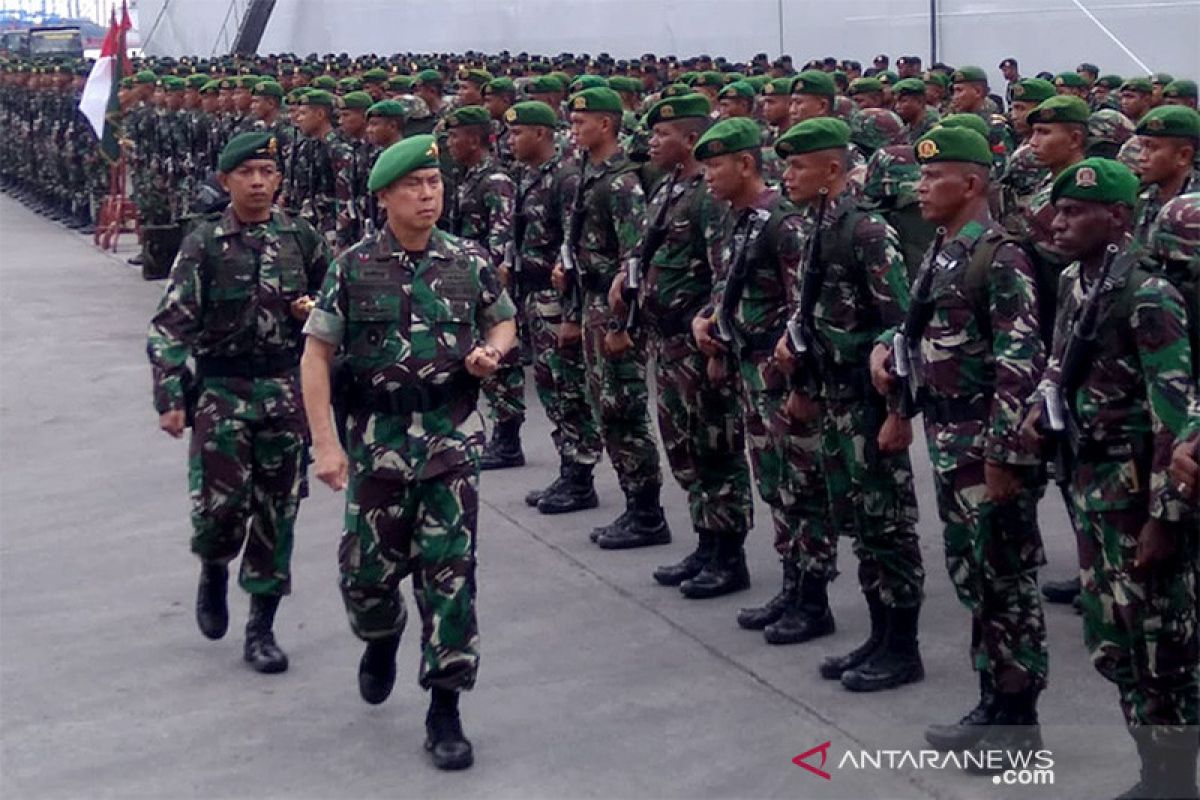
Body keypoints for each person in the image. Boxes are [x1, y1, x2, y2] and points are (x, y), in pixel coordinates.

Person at [300, 134, 517, 771]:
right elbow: (316, 356)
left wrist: (493, 353)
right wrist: (326, 445)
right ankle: (381, 634)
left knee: (450, 577)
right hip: (377, 448)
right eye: (414, 186)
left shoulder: (467, 260)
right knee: (365, 578)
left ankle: (445, 706)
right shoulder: (353, 265)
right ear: (385, 197)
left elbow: (500, 318)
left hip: (449, 442)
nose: (429, 196)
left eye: (435, 184)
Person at [873, 126, 1048, 770]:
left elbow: (1018, 364)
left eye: (932, 176)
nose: (919, 186)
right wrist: (898, 401)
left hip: (985, 449)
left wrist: (1005, 457)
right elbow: (920, 334)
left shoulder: (1000, 257)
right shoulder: (945, 251)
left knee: (1005, 583)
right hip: (950, 440)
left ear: (971, 184)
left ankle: (1018, 722)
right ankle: (992, 705)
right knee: (976, 577)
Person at [1023, 161, 1198, 799]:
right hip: (1092, 486)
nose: (1058, 221)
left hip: (1138, 499)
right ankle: (1154, 772)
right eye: (1058, 209)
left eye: (1075, 212)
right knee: (1113, 644)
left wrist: (1164, 518)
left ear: (1119, 219)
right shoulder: (1076, 279)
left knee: (1161, 651)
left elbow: (1171, 412)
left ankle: (1173, 781)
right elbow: (1060, 360)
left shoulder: (1146, 294)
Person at [146, 132, 331, 675]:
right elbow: (170, 325)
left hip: (284, 392)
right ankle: (213, 564)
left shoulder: (301, 237)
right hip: (222, 394)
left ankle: (262, 627)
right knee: (220, 510)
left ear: (278, 179)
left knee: (278, 512)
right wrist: (171, 395)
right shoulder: (204, 243)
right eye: (246, 173)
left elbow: (336, 306)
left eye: (266, 173)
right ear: (225, 180)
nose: (257, 183)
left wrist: (312, 312)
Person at [772, 118, 926, 691]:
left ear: (831, 169)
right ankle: (879, 633)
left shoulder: (865, 231)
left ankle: (903, 646)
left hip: (867, 401)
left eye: (797, 166)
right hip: (833, 395)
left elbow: (900, 329)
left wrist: (898, 413)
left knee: (887, 524)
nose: (787, 175)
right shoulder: (821, 224)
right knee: (860, 521)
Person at [690, 118, 834, 644]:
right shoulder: (740, 221)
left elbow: (804, 312)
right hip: (750, 370)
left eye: (715, 165)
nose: (707, 175)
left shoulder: (783, 224)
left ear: (745, 164)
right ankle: (792, 583)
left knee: (801, 487)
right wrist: (708, 321)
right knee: (774, 483)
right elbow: (728, 288)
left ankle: (813, 597)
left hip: (780, 375)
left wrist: (800, 387)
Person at [611, 93, 754, 597]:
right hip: (666, 342)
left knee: (715, 447)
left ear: (690, 140)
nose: (651, 141)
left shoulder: (707, 197)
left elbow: (725, 274)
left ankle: (728, 554)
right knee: (685, 447)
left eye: (662, 134)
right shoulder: (669, 188)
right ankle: (705, 541)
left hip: (697, 347)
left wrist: (716, 344)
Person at [555, 87, 670, 548]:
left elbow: (635, 258)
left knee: (624, 409)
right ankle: (633, 505)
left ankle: (647, 513)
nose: (574, 129)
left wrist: (625, 327)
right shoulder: (587, 173)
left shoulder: (621, 182)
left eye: (582, 122)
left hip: (614, 307)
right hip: (591, 302)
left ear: (606, 125)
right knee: (605, 406)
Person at [504, 101, 603, 514]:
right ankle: (568, 467)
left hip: (555, 298)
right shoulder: (531, 177)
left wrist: (571, 311)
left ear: (541, 134)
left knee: (567, 386)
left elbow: (572, 248)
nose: (510, 141)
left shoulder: (564, 180)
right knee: (550, 385)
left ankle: (580, 476)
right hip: (533, 295)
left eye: (517, 133)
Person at [441, 105, 522, 469]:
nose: (449, 143)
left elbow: (501, 240)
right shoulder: (469, 177)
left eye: (455, 136)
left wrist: (489, 287)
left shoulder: (495, 181)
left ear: (474, 139)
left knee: (501, 362)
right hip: (470, 280)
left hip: (488, 284)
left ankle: (509, 438)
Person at [1131, 105, 1200, 246]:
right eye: (1141, 147)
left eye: (1152, 147)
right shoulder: (1142, 198)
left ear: (1183, 155)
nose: (1141, 157)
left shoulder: (1196, 209)